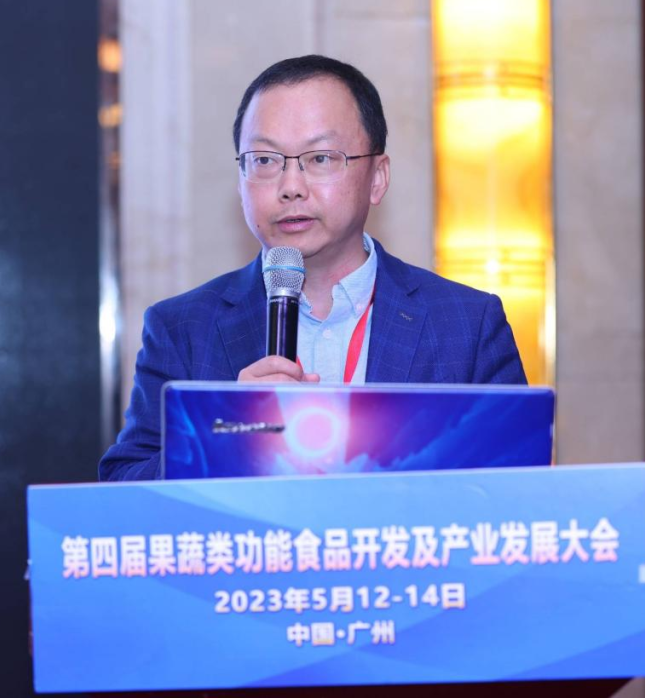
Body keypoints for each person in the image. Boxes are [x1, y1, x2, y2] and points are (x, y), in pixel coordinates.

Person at [99, 55, 525, 481]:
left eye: (320, 158)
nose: (290, 187)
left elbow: (522, 490)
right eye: (265, 160)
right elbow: (122, 490)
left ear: (377, 178)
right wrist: (222, 439)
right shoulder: (182, 328)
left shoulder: (467, 326)